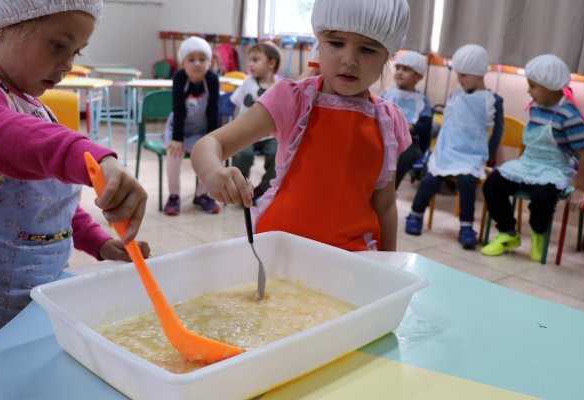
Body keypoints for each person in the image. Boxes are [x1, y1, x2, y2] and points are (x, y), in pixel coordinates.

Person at [0, 1, 149, 398]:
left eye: (75, 53)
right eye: (57, 46)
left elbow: (52, 202)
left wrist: (99, 241)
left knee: (24, 378)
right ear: (4, 29)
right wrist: (90, 156)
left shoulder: (37, 109)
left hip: (42, 279)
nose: (67, 65)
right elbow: (3, 138)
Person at [191, 0, 411, 252]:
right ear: (319, 43)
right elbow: (210, 144)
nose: (349, 60)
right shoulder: (292, 99)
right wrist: (212, 173)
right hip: (279, 247)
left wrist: (391, 266)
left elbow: (385, 206)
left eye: (368, 49)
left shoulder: (388, 121)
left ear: (387, 55)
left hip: (351, 258)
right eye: (336, 43)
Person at [480, 54, 584, 262]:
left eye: (532, 86)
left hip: (554, 169)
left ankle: (538, 234)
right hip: (528, 164)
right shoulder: (536, 106)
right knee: (493, 185)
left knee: (542, 198)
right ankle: (508, 233)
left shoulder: (569, 116)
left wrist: (581, 188)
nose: (528, 91)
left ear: (549, 87)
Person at [402, 45, 504, 250]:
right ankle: (415, 215)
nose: (460, 79)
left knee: (467, 183)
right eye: (458, 74)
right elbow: (448, 124)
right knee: (430, 179)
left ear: (479, 74)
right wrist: (436, 151)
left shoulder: (493, 100)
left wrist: (488, 158)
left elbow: (497, 131)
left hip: (471, 155)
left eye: (464, 75)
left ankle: (466, 227)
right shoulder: (455, 95)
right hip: (448, 151)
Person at [163, 36, 221, 215]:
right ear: (183, 63)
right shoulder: (179, 78)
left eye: (202, 59)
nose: (197, 63)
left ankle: (202, 194)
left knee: (210, 157)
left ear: (209, 62)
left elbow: (213, 110)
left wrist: (212, 140)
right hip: (178, 128)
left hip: (202, 130)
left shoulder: (212, 79)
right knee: (173, 155)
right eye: (191, 59)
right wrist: (177, 139)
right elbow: (178, 108)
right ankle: (174, 196)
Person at [230, 42, 282, 201]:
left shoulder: (280, 87)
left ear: (271, 63)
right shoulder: (248, 82)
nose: (250, 64)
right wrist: (233, 131)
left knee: (278, 155)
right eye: (249, 60)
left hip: (269, 135)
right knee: (243, 155)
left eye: (255, 60)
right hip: (246, 132)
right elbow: (237, 108)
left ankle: (263, 189)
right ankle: (240, 190)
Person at [381, 50, 433, 190]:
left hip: (408, 142)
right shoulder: (387, 94)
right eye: (397, 67)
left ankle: (389, 191)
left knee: (400, 159)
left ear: (418, 76)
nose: (399, 72)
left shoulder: (422, 101)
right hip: (383, 136)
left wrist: (410, 127)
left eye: (406, 69)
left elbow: (426, 126)